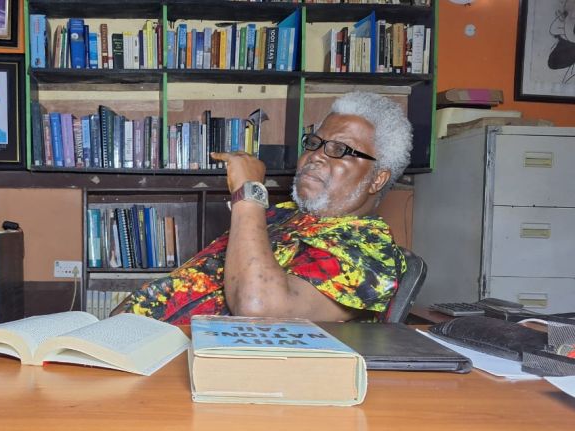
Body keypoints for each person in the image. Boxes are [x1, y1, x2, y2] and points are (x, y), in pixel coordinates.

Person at [112, 91, 412, 324]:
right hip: (141, 344)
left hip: (207, 369)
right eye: (314, 143)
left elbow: (257, 308)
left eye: (339, 149)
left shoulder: (371, 253)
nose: (315, 156)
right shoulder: (282, 215)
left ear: (377, 178)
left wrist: (249, 192)